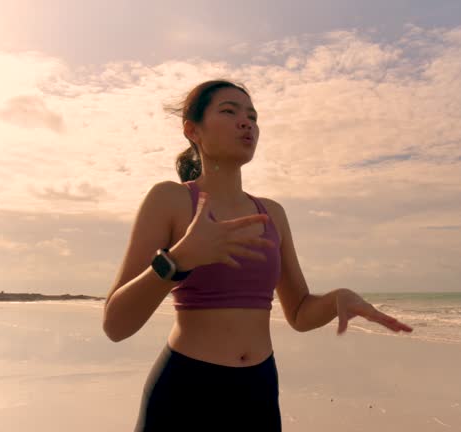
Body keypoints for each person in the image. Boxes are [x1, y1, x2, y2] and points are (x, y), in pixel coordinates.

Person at [102, 79, 414, 431]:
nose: (246, 122)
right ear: (193, 130)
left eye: (252, 116)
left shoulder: (272, 214)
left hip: (258, 392)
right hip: (186, 391)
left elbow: (298, 312)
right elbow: (116, 325)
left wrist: (336, 299)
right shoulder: (170, 200)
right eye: (229, 111)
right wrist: (178, 261)